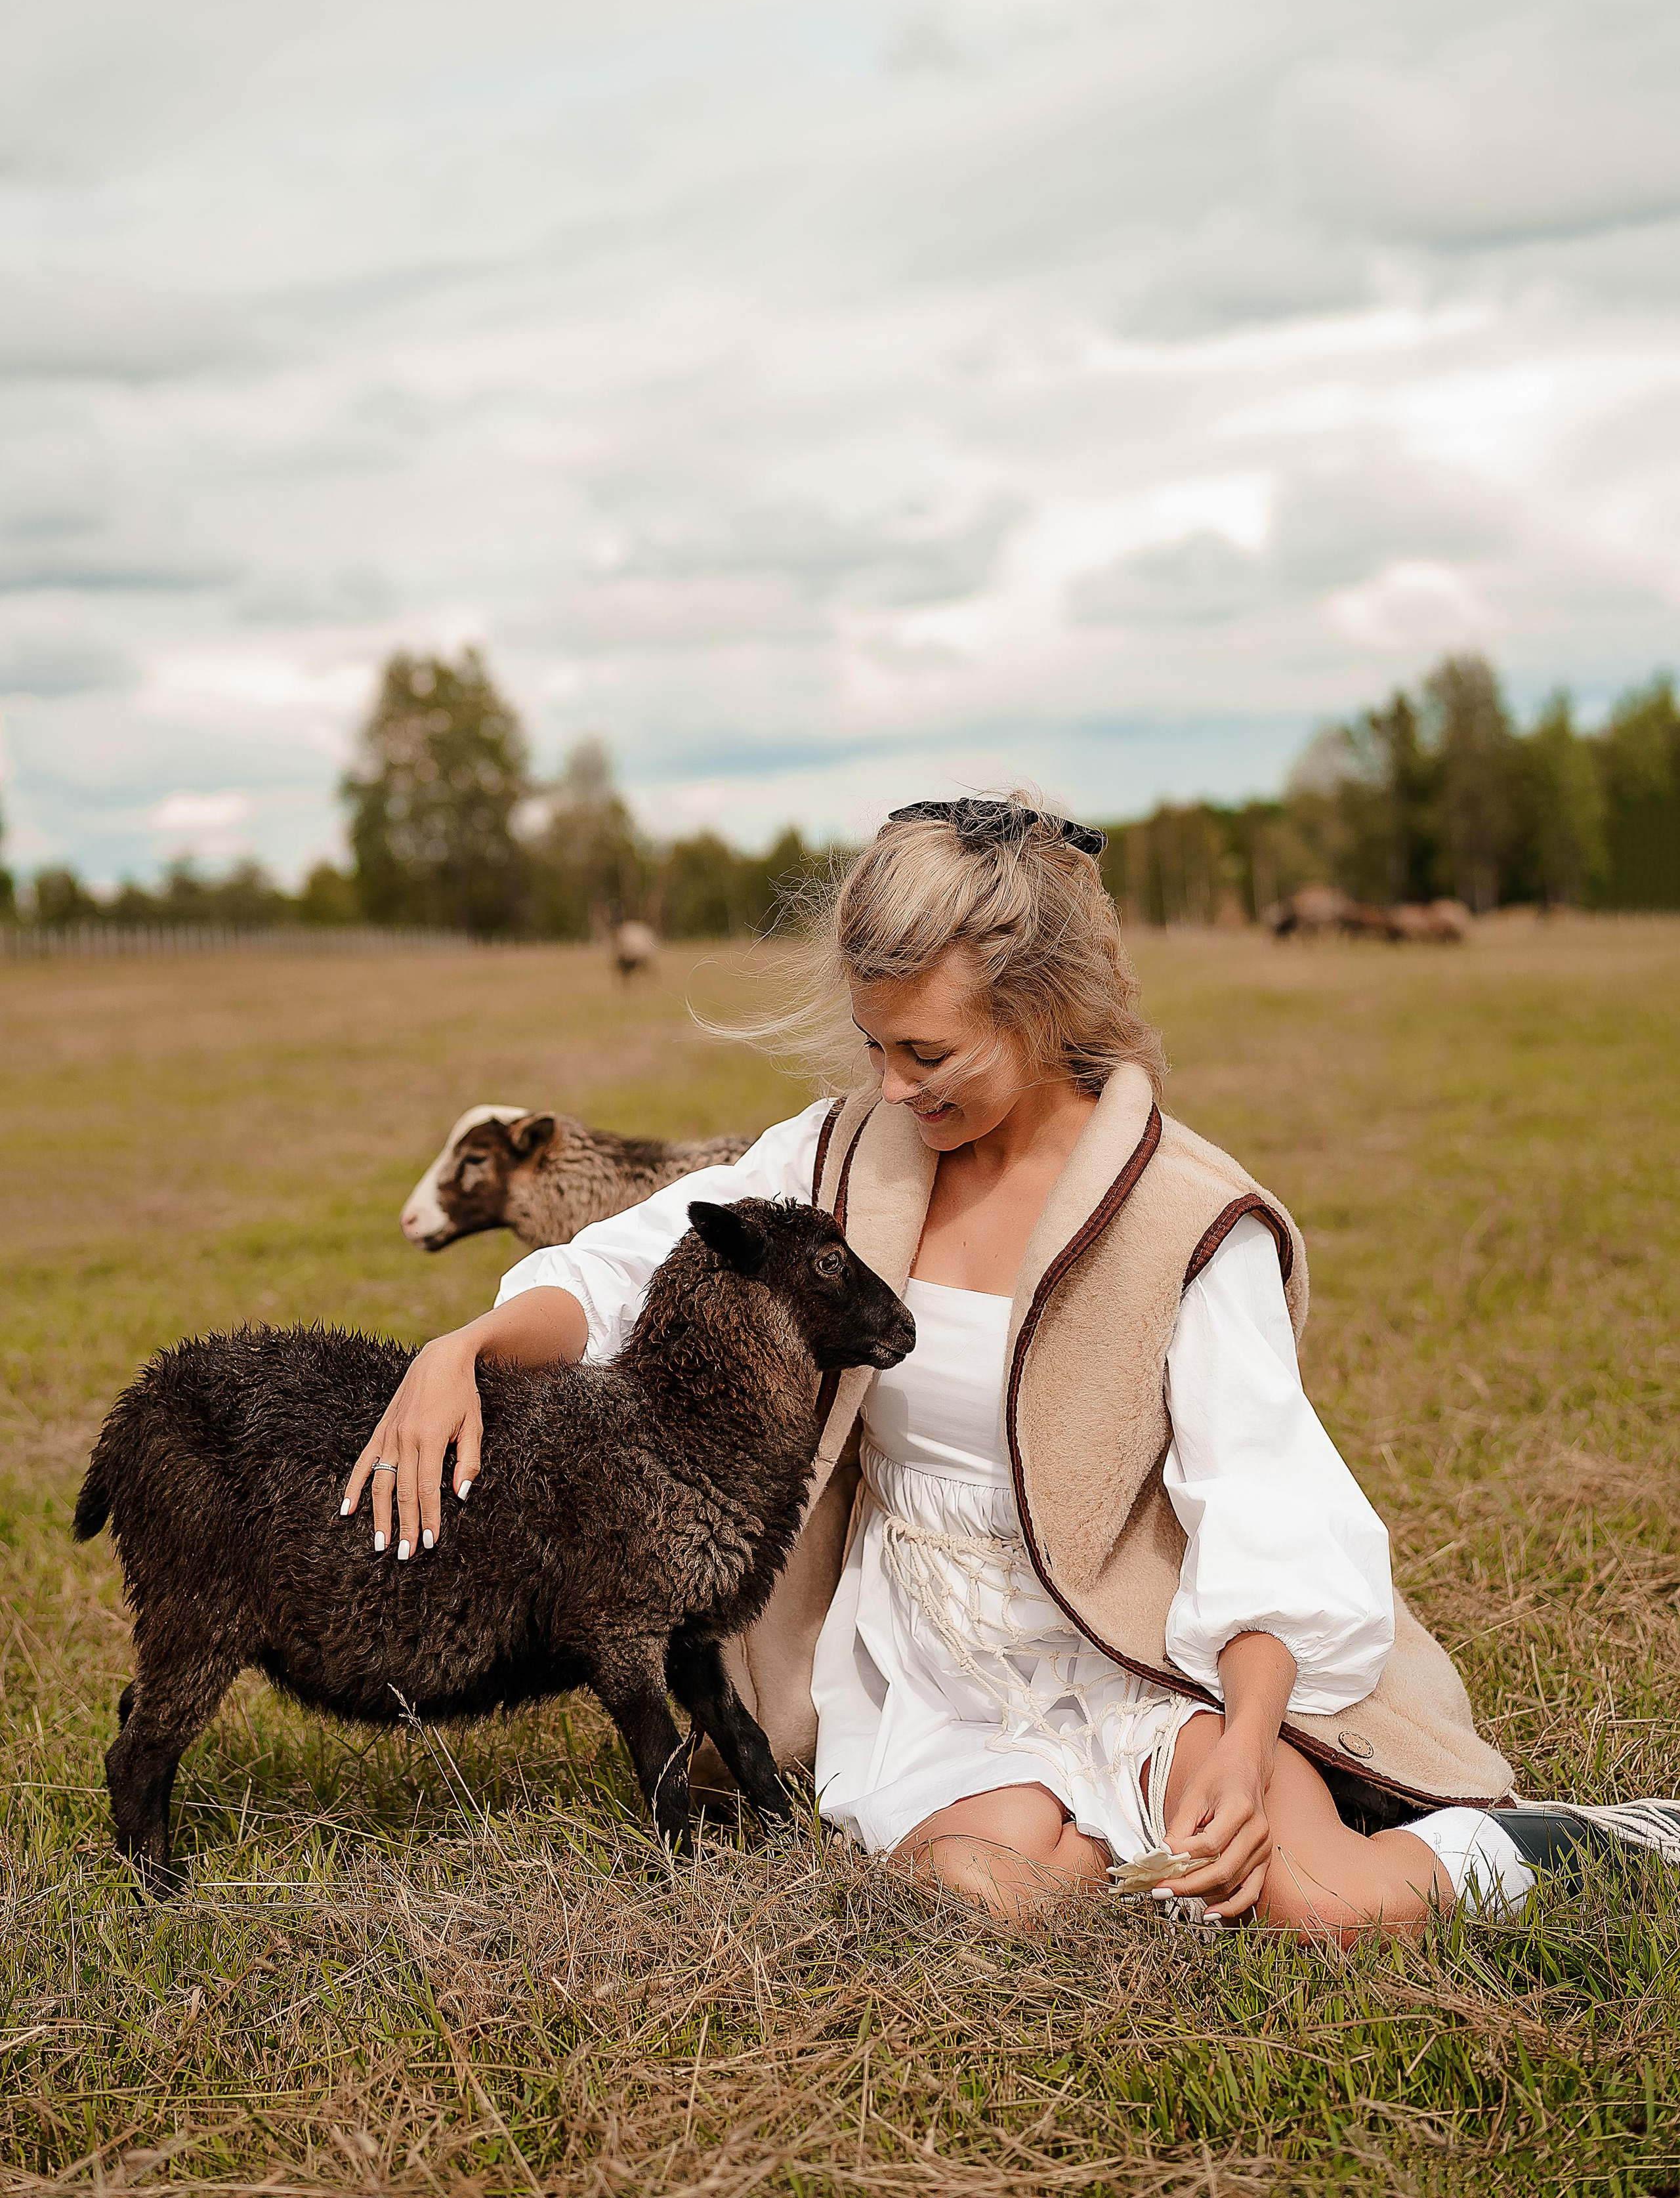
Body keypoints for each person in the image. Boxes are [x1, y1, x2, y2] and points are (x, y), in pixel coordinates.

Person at [341, 796, 1679, 1934]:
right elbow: (620, 1268)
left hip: (1149, 1635)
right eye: (872, 1046)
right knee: (986, 1904)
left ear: (1041, 1013)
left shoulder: (1181, 1218)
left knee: (1322, 1909)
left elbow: (1260, 1501)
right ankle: (1089, 1832)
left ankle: (1581, 1840)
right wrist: (464, 1351)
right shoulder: (835, 1159)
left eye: (926, 1051)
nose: (892, 1084)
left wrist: (1253, 1739)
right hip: (933, 1645)